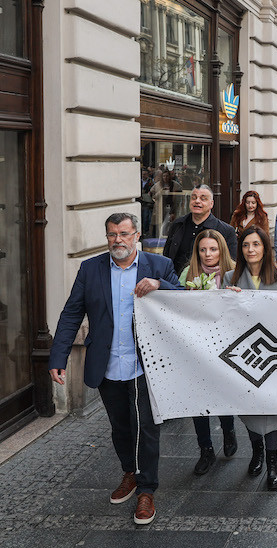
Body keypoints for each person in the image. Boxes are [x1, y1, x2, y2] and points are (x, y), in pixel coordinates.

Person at [50, 213, 181, 525]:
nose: (117, 240)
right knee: (120, 427)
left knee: (145, 428)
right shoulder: (90, 269)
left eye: (124, 233)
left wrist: (160, 285)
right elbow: (71, 313)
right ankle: (129, 473)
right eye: (112, 234)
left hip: (144, 366)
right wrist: (57, 357)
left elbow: (184, 301)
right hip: (107, 365)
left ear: (136, 235)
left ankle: (146, 489)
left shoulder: (159, 266)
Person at [224, 226, 277, 491]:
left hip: (273, 353)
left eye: (256, 244)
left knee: (271, 407)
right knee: (250, 406)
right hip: (245, 355)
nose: (250, 250)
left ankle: (273, 461)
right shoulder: (230, 277)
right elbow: (221, 317)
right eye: (245, 245)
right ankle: (257, 453)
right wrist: (228, 300)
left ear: (265, 247)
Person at [178, 229, 238, 475]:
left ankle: (228, 429)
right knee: (198, 399)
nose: (208, 254)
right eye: (203, 249)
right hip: (196, 347)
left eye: (213, 249)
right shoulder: (188, 274)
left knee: (222, 393)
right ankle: (205, 449)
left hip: (225, 346)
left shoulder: (234, 273)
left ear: (221, 250)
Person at [162, 185, 238, 275]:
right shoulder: (178, 225)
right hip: (176, 280)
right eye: (194, 198)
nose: (197, 201)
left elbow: (230, 264)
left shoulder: (226, 231)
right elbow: (167, 255)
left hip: (210, 281)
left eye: (203, 199)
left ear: (211, 204)